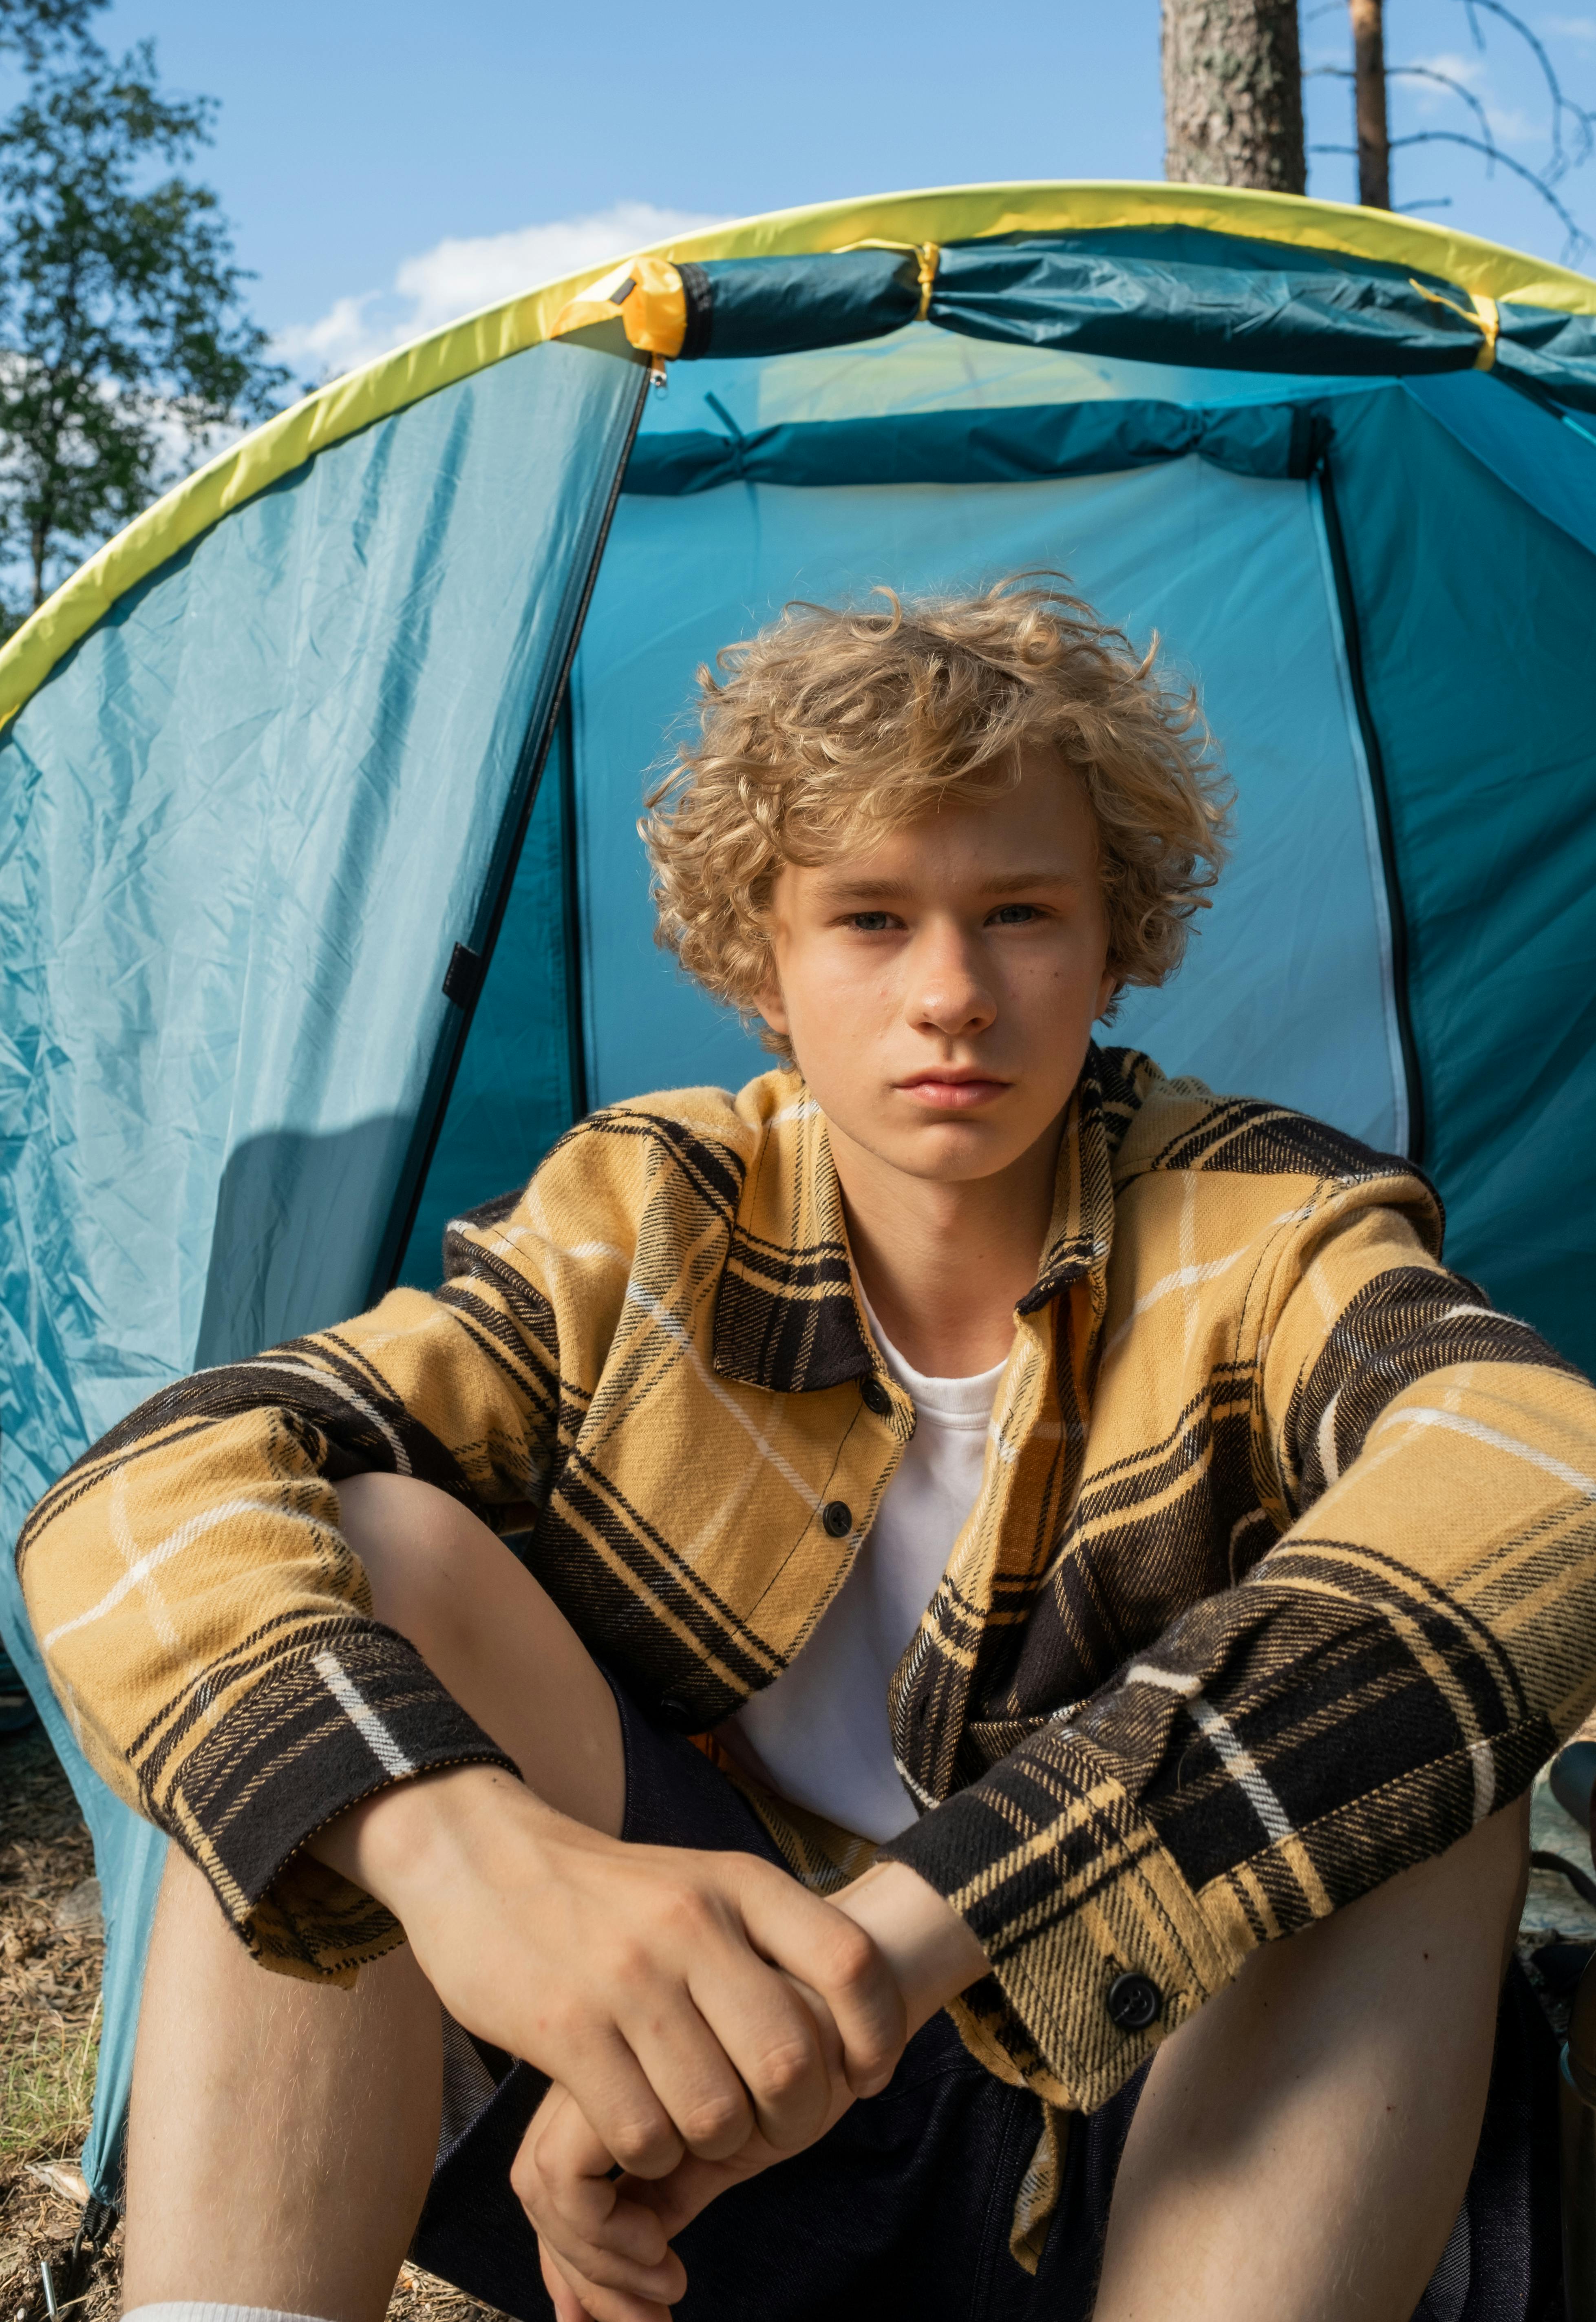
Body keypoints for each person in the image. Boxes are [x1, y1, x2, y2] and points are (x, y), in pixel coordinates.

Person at [18, 580, 1592, 2322]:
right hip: (708, 2134)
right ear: (758, 961)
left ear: (1114, 935)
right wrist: (464, 1855)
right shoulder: (653, 1214)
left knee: (1423, 1742)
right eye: (867, 918)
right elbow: (145, 1494)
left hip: (1168, 2134)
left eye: (1018, 912)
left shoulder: (1260, 1219)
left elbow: (1554, 1485)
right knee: (370, 1548)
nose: (951, 995)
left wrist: (899, 1939)